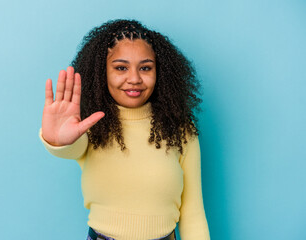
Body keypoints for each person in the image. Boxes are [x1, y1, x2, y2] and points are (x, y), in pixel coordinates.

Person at [39, 19, 210, 240]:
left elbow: (193, 214)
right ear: (102, 72)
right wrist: (58, 141)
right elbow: (71, 147)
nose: (134, 79)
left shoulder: (181, 129)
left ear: (161, 72)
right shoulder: (90, 124)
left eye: (145, 68)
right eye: (121, 68)